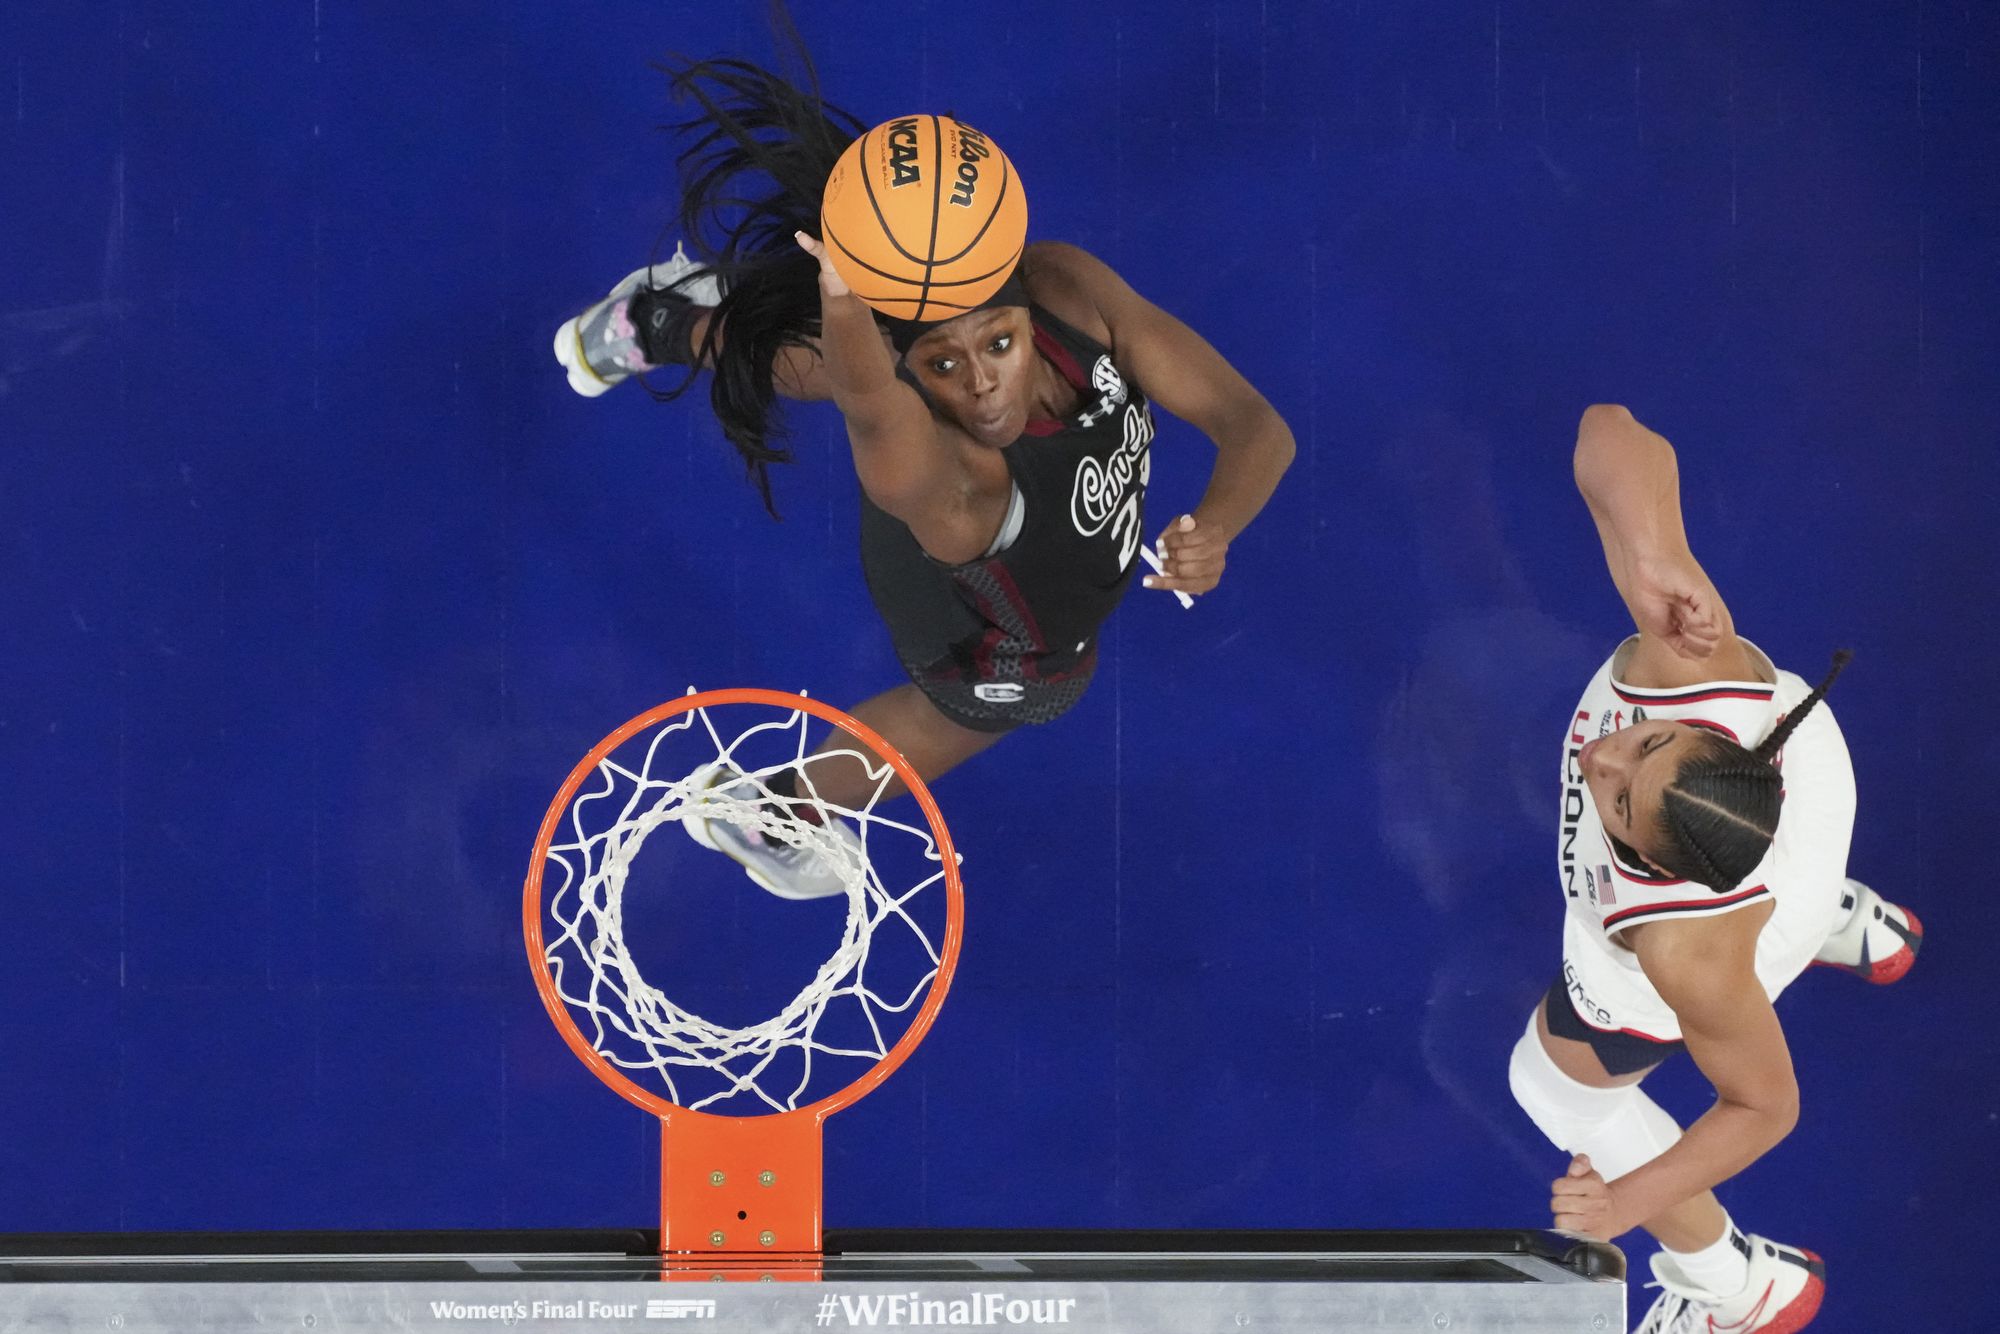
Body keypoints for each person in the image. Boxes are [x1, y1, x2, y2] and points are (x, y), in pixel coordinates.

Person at [554, 56, 1294, 899]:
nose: (981, 383)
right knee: (1005, 700)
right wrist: (840, 302)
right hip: (969, 614)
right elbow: (869, 390)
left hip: (931, 414)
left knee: (837, 363)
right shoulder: (940, 470)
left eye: (1001, 345)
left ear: (1023, 296)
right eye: (945, 363)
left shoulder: (1067, 288)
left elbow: (1255, 426)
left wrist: (1221, 522)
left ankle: (665, 318)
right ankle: (767, 809)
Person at [1509, 404, 1923, 1333]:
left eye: (1617, 803)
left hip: (1752, 927)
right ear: (1698, 735)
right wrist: (1658, 549)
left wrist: (1626, 1205)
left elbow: (1765, 1105)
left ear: (1663, 872)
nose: (1602, 761)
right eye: (1646, 748)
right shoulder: (1690, 665)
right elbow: (1609, 432)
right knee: (1779, 912)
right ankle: (1826, 919)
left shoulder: (1678, 956)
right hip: (1810, 808)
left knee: (1549, 1084)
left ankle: (1741, 1290)